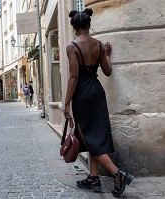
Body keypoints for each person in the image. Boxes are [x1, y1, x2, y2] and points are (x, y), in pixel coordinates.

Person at [64, 8, 134, 197]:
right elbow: (108, 71)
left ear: (74, 27)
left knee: (89, 137)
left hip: (82, 95)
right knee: (94, 135)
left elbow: (73, 77)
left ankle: (117, 174)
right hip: (97, 91)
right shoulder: (100, 45)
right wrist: (108, 55)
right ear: (89, 25)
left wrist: (66, 103)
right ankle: (93, 177)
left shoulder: (72, 47)